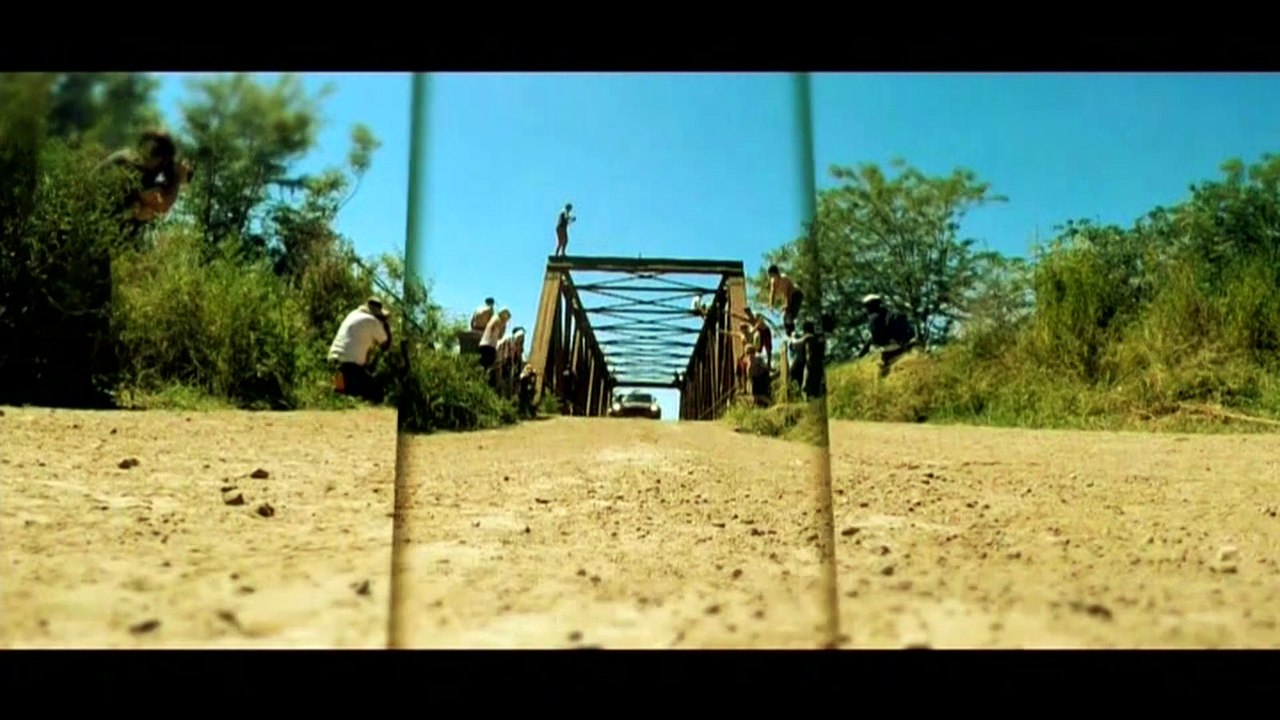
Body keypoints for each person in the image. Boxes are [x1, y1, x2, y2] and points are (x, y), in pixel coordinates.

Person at [97, 129, 194, 235]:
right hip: (95, 206)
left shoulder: (140, 165)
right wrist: (178, 179)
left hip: (101, 213)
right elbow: (161, 205)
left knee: (144, 212)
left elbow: (156, 204)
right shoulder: (132, 166)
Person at [328, 297, 392, 403]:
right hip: (349, 368)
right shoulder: (373, 322)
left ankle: (339, 391)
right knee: (377, 393)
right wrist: (386, 326)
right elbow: (386, 345)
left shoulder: (353, 314)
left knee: (342, 391)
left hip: (332, 363)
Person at [855, 294, 917, 378]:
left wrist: (861, 355)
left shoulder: (874, 319)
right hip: (904, 347)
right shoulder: (894, 314)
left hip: (888, 351)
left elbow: (875, 339)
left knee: (881, 377)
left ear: (870, 306)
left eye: (866, 307)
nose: (865, 309)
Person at [767, 264, 803, 334]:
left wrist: (787, 305)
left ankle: (791, 332)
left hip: (796, 294)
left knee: (788, 314)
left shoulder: (784, 279)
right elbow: (772, 293)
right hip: (790, 296)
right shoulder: (773, 281)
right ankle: (790, 332)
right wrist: (771, 305)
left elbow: (788, 293)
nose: (771, 277)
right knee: (786, 317)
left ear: (776, 273)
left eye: (771, 275)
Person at [478, 307, 511, 382]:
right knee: (488, 366)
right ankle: (483, 381)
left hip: (484, 344)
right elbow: (500, 336)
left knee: (484, 364)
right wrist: (504, 326)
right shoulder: (498, 321)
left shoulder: (493, 319)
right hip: (489, 346)